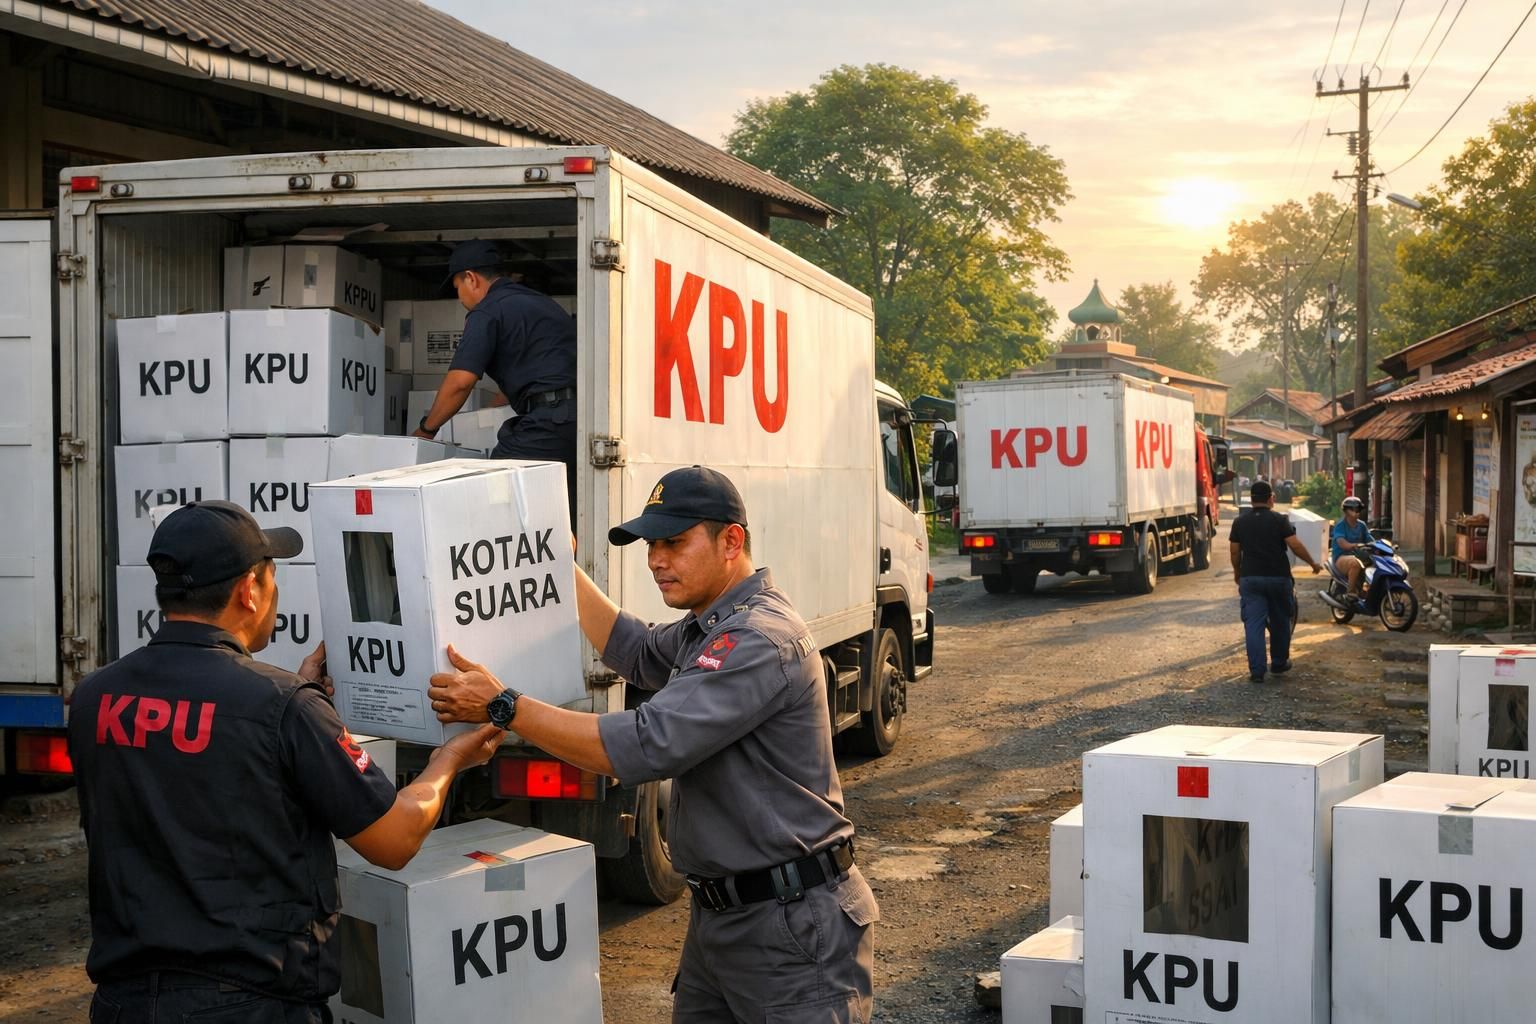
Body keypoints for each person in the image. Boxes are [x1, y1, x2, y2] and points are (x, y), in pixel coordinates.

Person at [428, 466, 877, 1022]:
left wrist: (505, 705)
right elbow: (635, 648)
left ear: (731, 540)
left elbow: (645, 744)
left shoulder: (757, 638)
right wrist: (553, 562)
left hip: (790, 928)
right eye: (650, 545)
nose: (655, 560)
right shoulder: (709, 624)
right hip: (726, 918)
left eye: (674, 542)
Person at [67, 501, 503, 1023]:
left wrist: (297, 704)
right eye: (272, 575)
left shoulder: (94, 696)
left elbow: (189, 766)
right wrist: (450, 758)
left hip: (124, 1003)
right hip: (249, 1005)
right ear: (249, 590)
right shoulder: (284, 708)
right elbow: (395, 839)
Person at [413, 238, 578, 520]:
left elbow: (461, 382)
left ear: (471, 278)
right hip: (582, 422)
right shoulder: (542, 303)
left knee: (496, 498)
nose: (460, 298)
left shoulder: (487, 311)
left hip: (548, 425)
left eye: (457, 288)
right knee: (561, 514)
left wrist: (426, 429)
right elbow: (538, 370)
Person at [1229, 480, 1323, 684]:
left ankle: (1257, 671)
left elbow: (1235, 552)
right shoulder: (1280, 520)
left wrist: (1238, 572)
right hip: (1278, 578)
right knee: (1280, 620)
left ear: (1251, 500)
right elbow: (1295, 545)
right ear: (1271, 498)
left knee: (1253, 624)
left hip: (1251, 579)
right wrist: (1313, 563)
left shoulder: (1240, 522)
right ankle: (1279, 663)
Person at [1331, 495, 1374, 598]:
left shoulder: (1362, 525)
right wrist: (1354, 545)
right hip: (1341, 556)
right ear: (1346, 511)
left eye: (1358, 509)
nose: (1356, 511)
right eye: (1353, 509)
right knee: (1355, 563)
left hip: (1359, 555)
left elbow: (1370, 540)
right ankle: (1351, 593)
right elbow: (1342, 543)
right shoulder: (1340, 525)